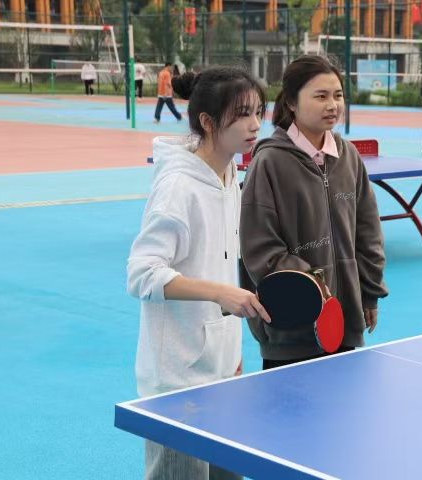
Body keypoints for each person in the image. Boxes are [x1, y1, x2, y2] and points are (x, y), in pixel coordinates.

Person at [127, 66, 270, 479]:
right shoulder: (178, 187)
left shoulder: (230, 174)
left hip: (221, 368)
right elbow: (142, 273)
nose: (255, 124)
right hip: (177, 381)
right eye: (242, 114)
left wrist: (232, 349)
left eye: (258, 112)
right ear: (207, 122)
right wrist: (219, 293)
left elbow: (221, 262)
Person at [240, 55, 388, 370]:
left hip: (345, 319)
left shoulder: (349, 157)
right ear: (291, 103)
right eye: (320, 96)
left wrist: (369, 293)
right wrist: (313, 288)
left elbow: (368, 232)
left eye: (338, 95)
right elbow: (260, 247)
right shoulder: (268, 163)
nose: (332, 105)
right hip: (290, 326)